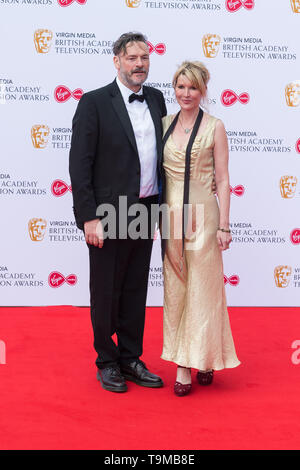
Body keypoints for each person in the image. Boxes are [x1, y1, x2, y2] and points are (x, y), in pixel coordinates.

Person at [69, 32, 167, 393]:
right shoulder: (94, 103)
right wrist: (88, 217)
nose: (139, 64)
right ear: (116, 61)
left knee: (134, 288)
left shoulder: (156, 99)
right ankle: (106, 361)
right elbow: (80, 164)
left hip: (145, 209)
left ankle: (130, 358)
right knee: (106, 289)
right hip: (107, 212)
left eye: (144, 57)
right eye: (131, 58)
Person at [160, 61, 240, 396]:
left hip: (204, 218)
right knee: (176, 289)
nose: (186, 93)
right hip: (171, 217)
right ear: (174, 89)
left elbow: (222, 180)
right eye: (180, 86)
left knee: (203, 290)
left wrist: (224, 225)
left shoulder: (215, 126)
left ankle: (194, 361)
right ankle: (185, 357)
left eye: (192, 87)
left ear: (203, 90)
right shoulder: (164, 122)